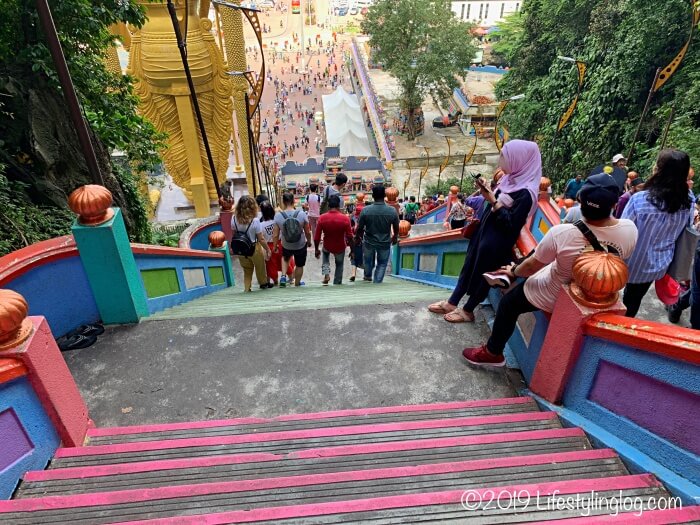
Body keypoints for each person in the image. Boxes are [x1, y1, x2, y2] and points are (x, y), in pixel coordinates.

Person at [462, 174, 638, 367]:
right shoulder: (630, 229)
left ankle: (493, 352)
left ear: (579, 202)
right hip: (602, 292)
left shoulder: (563, 233)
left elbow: (532, 266)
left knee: (509, 304)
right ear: (614, 206)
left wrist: (513, 271)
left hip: (555, 293)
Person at [428, 140, 542, 323]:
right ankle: (452, 301)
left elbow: (511, 224)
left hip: (497, 242)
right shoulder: (508, 179)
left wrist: (493, 200)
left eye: (505, 156)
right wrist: (486, 190)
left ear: (519, 160)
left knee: (483, 276)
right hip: (483, 232)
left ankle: (468, 310)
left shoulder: (526, 193)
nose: (501, 160)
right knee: (468, 267)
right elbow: (493, 200)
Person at [621, 150, 694, 317]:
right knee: (635, 298)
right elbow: (687, 228)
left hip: (634, 262)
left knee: (626, 298)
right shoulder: (687, 201)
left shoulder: (640, 200)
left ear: (659, 170)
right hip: (660, 263)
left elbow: (623, 232)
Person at [355, 185, 400, 283]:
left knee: (367, 260)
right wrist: (395, 236)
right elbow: (396, 226)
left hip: (369, 241)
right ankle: (377, 282)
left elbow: (360, 227)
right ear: (385, 195)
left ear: (373, 196)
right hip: (385, 242)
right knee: (382, 263)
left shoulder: (365, 210)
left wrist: (357, 237)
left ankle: (367, 276)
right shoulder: (392, 211)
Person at [232, 196, 272, 292]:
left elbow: (234, 234)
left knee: (247, 270)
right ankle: (263, 284)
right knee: (260, 268)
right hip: (254, 248)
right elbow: (261, 239)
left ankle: (247, 288)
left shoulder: (233, 219)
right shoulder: (255, 221)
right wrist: (267, 249)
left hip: (241, 248)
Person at [273, 192, 312, 287]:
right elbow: (307, 231)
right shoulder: (302, 214)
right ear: (293, 201)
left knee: (285, 258)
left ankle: (283, 276)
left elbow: (275, 234)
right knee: (299, 265)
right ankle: (297, 283)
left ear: (283, 202)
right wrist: (309, 241)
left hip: (286, 244)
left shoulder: (278, 216)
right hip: (300, 244)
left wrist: (275, 246)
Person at [314, 194, 353, 285]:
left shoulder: (322, 218)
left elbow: (317, 237)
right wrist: (352, 250)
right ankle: (337, 282)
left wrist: (316, 249)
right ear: (339, 205)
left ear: (328, 205)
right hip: (340, 246)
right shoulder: (345, 219)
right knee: (339, 265)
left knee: (325, 258)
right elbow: (350, 237)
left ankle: (326, 274)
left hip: (327, 244)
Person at [260, 201, 294, 287]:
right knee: (284, 261)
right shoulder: (277, 220)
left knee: (271, 265)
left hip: (269, 246)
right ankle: (291, 279)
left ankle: (275, 282)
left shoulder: (261, 225)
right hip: (280, 244)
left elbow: (261, 238)